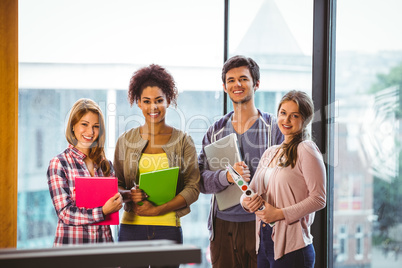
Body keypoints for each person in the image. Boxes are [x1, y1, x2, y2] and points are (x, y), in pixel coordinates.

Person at [198, 55, 284, 267]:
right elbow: (200, 180)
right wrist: (226, 176)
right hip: (223, 227)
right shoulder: (215, 131)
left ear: (256, 84)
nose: (237, 84)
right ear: (225, 87)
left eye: (243, 79)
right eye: (231, 80)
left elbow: (290, 175)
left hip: (263, 225)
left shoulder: (275, 128)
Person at [114, 64, 200, 253]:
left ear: (168, 101)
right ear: (138, 102)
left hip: (168, 229)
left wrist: (158, 210)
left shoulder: (183, 141)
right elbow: (116, 184)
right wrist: (129, 194)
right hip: (131, 229)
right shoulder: (125, 141)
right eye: (146, 101)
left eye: (159, 100)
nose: (153, 107)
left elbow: (193, 189)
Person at [241, 90, 327, 268]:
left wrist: (280, 214)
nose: (286, 120)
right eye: (283, 113)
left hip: (293, 248)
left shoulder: (306, 149)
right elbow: (252, 189)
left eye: (294, 115)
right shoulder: (270, 152)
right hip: (264, 242)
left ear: (304, 120)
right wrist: (246, 201)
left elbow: (319, 198)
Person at [47, 98, 123, 246]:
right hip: (72, 252)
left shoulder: (105, 165)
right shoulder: (59, 164)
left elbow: (112, 204)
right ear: (73, 126)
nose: (90, 132)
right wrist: (102, 211)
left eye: (96, 126)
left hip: (103, 249)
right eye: (84, 124)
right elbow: (65, 214)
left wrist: (124, 197)